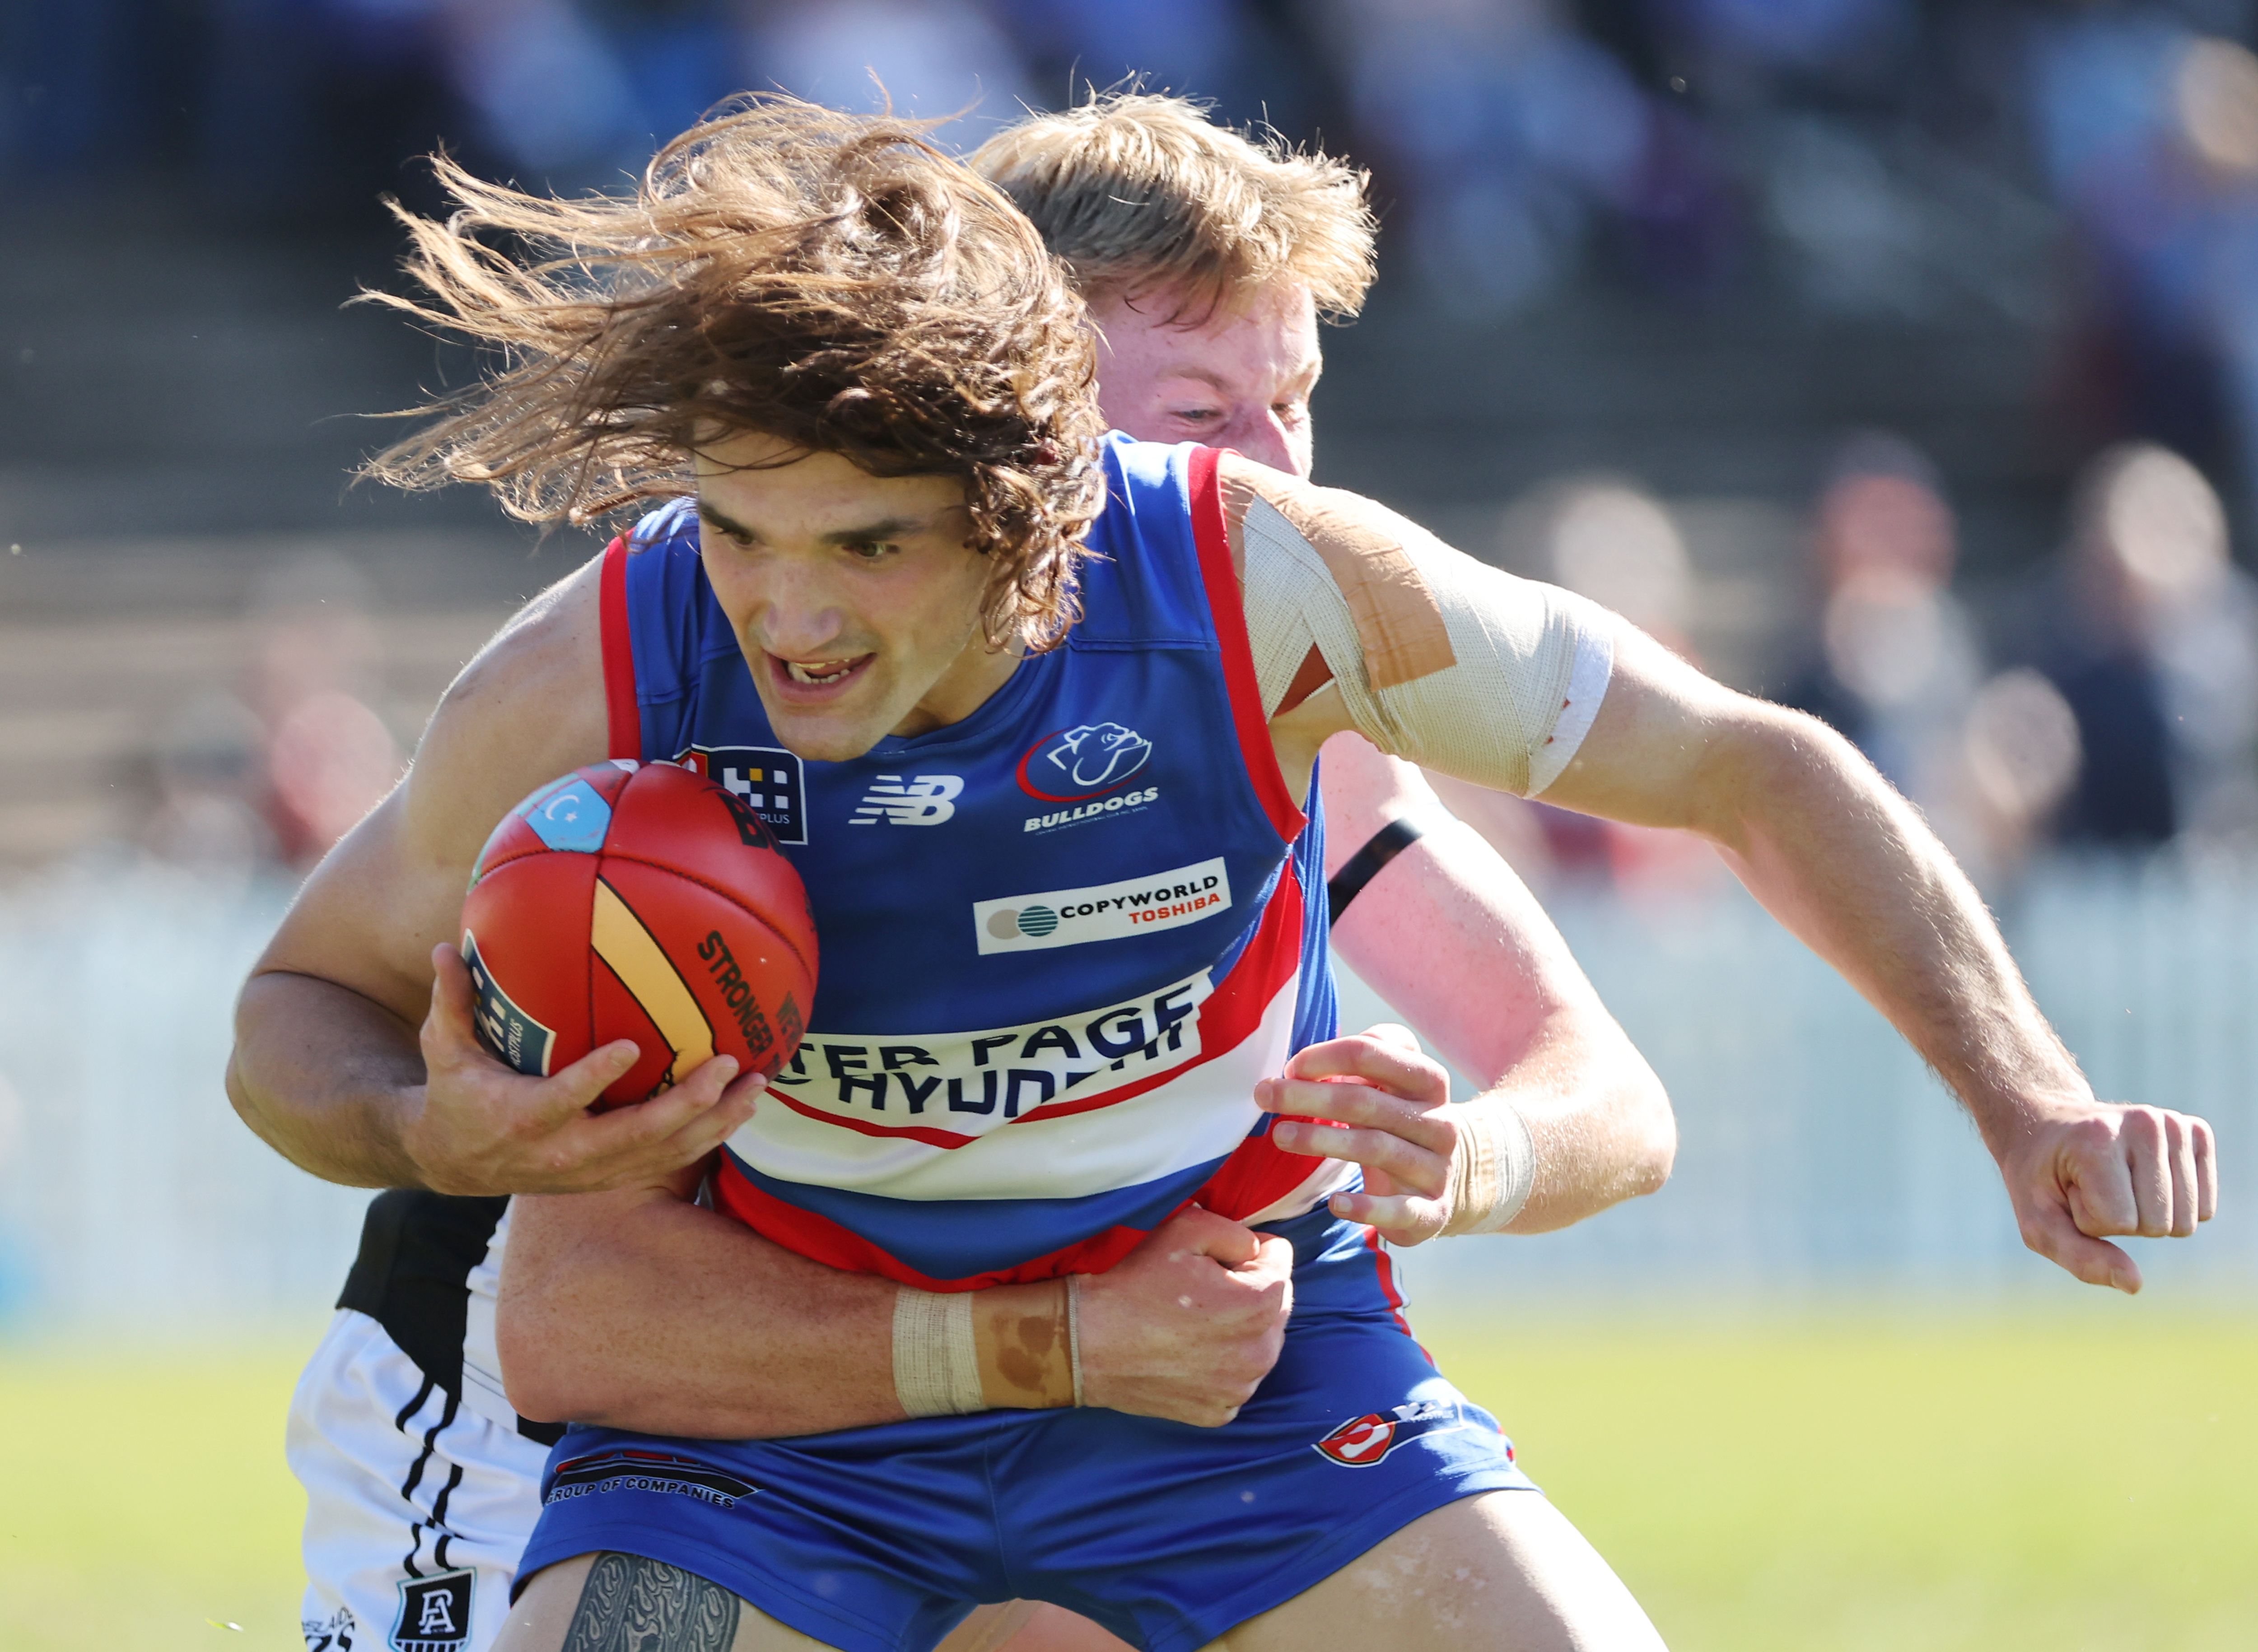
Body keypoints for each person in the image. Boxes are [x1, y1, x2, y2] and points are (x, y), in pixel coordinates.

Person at [236, 97, 2215, 1652]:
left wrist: (2020, 1097)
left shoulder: (1276, 603)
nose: (785, 615)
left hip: (1242, 1395)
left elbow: (1741, 777)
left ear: (1039, 504)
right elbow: (446, 1182)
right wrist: (436, 1120)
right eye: (746, 533)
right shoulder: (616, 663)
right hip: (765, 1442)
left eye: (866, 549)